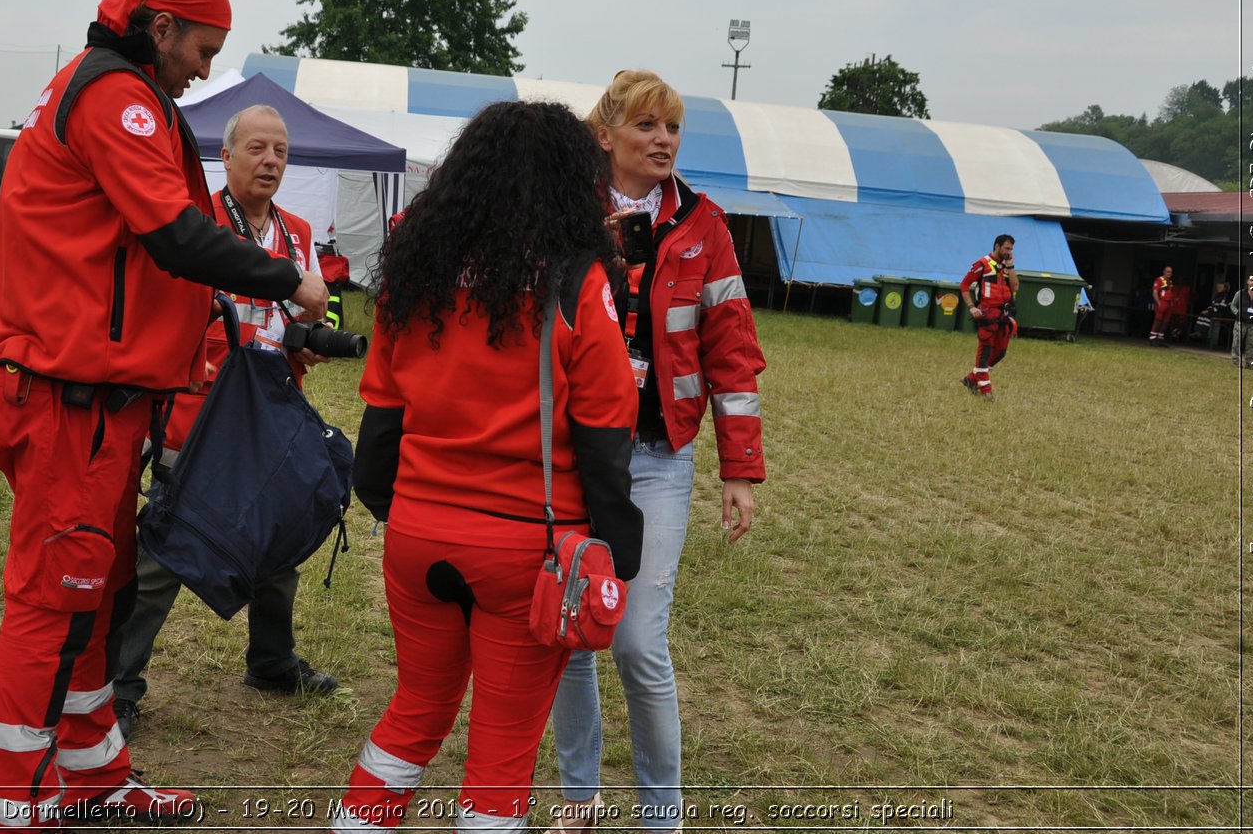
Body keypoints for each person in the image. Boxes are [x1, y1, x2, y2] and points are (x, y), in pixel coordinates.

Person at [0, 0, 329, 830]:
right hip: (70, 397)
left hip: (102, 398)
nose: (206, 69)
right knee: (56, 598)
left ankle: (95, 776)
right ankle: (16, 806)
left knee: (97, 592)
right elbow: (176, 235)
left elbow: (164, 238)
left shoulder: (123, 95)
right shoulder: (114, 99)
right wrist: (290, 279)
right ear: (162, 26)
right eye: (203, 48)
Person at [332, 101, 644, 834]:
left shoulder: (417, 272)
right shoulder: (578, 280)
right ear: (572, 182)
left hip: (416, 536)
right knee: (501, 754)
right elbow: (605, 436)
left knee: (414, 711)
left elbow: (379, 427)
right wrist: (618, 553)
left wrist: (399, 509)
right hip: (523, 552)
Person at [549, 70, 768, 834]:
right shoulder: (564, 212)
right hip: (571, 452)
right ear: (605, 135)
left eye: (672, 128)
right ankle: (580, 802)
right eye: (646, 126)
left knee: (639, 642)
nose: (664, 140)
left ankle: (661, 818)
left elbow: (734, 352)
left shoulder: (706, 224)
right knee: (571, 632)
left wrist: (739, 468)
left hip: (657, 455)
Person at [111, 104, 338, 743]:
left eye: (281, 152)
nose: (271, 161)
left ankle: (270, 660)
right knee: (169, 549)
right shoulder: (198, 223)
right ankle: (118, 685)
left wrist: (309, 340)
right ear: (228, 156)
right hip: (200, 411)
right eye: (258, 149)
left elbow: (297, 317)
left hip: (271, 411)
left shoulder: (296, 231)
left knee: (279, 537)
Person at [960, 235, 1019, 397]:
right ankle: (986, 392)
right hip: (987, 315)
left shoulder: (1007, 266)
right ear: (997, 246)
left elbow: (1015, 287)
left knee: (1000, 352)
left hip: (1003, 315)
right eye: (1007, 248)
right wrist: (972, 307)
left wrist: (1011, 266)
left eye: (1011, 249)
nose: (1009, 252)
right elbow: (964, 285)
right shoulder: (982, 265)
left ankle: (971, 379)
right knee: (985, 352)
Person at [1148, 265, 1175, 344]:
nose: (1169, 273)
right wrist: (1159, 303)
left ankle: (1160, 339)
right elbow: (1155, 292)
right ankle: (1152, 339)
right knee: (1158, 320)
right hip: (1162, 302)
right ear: (1164, 272)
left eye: (1170, 272)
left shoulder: (1170, 281)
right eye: (1167, 271)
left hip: (1169, 303)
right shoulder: (1159, 280)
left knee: (1165, 321)